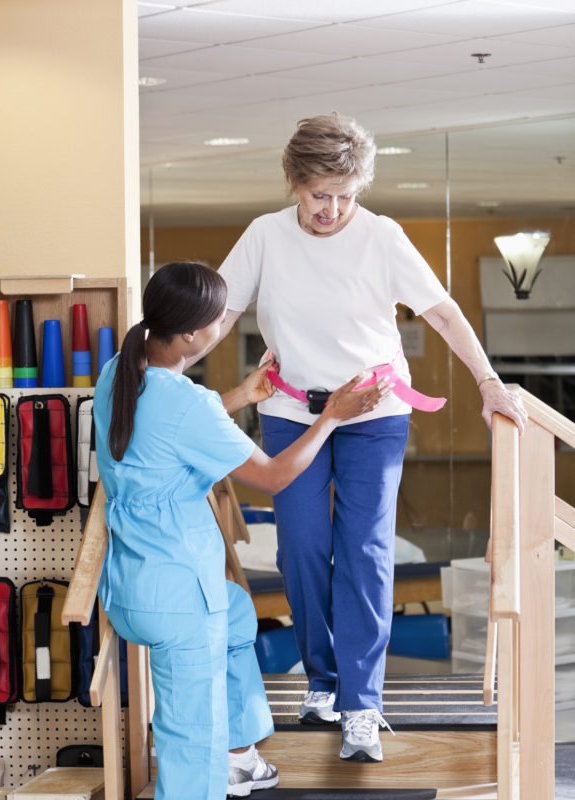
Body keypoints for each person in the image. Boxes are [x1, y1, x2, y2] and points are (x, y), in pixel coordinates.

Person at [93, 261, 390, 800]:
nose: (225, 326)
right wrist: (331, 416)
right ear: (198, 331)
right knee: (188, 775)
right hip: (179, 606)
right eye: (222, 318)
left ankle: (239, 748)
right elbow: (277, 475)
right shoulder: (183, 402)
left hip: (136, 591)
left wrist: (241, 394)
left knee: (239, 610)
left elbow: (171, 426)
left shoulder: (123, 372)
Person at [216, 112, 527, 764]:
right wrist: (158, 370)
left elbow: (440, 311)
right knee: (301, 548)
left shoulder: (381, 236)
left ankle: (360, 701)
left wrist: (489, 381)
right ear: (293, 183)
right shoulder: (264, 236)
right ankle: (322, 678)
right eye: (317, 195)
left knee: (364, 549)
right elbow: (219, 314)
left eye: (343, 196)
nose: (331, 210)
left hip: (374, 413)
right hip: (292, 412)